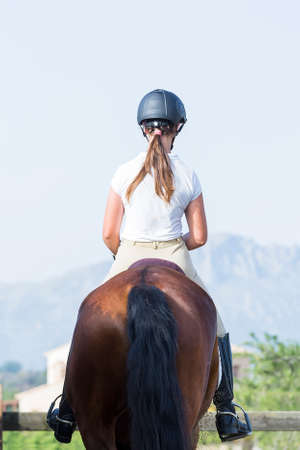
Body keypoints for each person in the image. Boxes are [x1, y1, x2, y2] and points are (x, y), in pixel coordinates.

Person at [47, 89, 252, 443]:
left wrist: (126, 256)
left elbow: (109, 233)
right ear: (177, 128)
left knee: (88, 314)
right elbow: (200, 236)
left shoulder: (124, 171)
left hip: (127, 254)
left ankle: (66, 410)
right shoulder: (187, 173)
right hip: (174, 253)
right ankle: (227, 409)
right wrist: (171, 247)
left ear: (143, 128)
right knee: (216, 324)